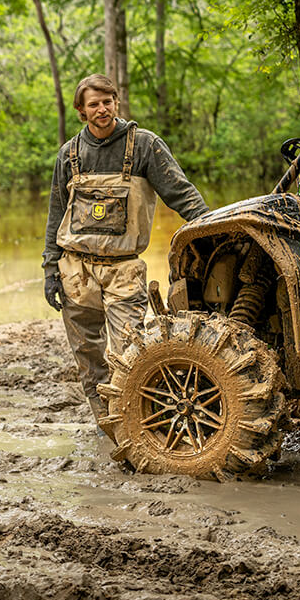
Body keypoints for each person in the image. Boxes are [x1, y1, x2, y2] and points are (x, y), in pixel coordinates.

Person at [43, 73, 209, 433]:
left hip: (123, 269)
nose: (102, 109)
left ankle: (137, 426)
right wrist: (49, 269)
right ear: (81, 111)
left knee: (131, 355)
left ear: (116, 102)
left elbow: (181, 194)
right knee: (87, 357)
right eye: (93, 104)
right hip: (75, 269)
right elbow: (57, 213)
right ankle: (107, 426)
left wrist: (211, 227)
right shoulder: (69, 154)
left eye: (108, 101)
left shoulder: (145, 145)